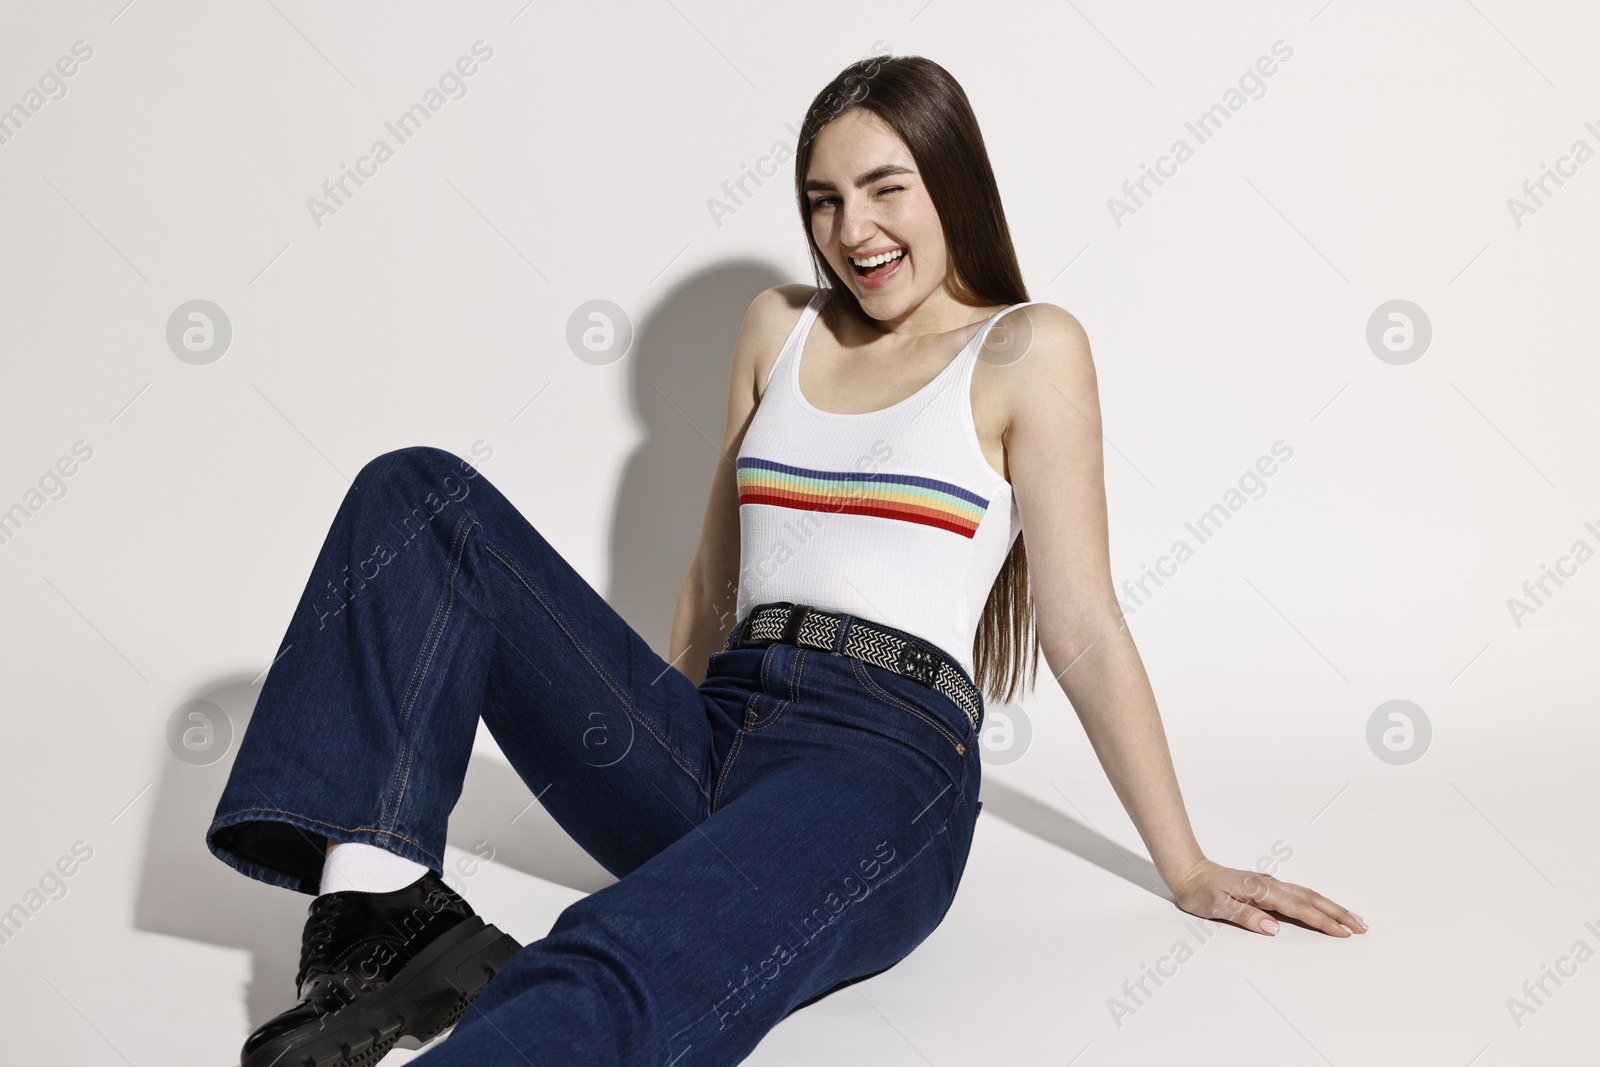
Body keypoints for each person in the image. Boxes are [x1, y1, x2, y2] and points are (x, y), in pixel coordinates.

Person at [205, 54, 1366, 1067]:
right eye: (823, 200)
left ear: (948, 182)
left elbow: (1082, 622)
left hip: (880, 759)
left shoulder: (1025, 348)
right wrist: (646, 719)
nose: (852, 230)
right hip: (717, 728)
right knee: (414, 495)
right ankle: (379, 904)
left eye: (883, 189)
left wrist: (1187, 862)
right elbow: (713, 583)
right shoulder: (779, 325)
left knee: (631, 946)